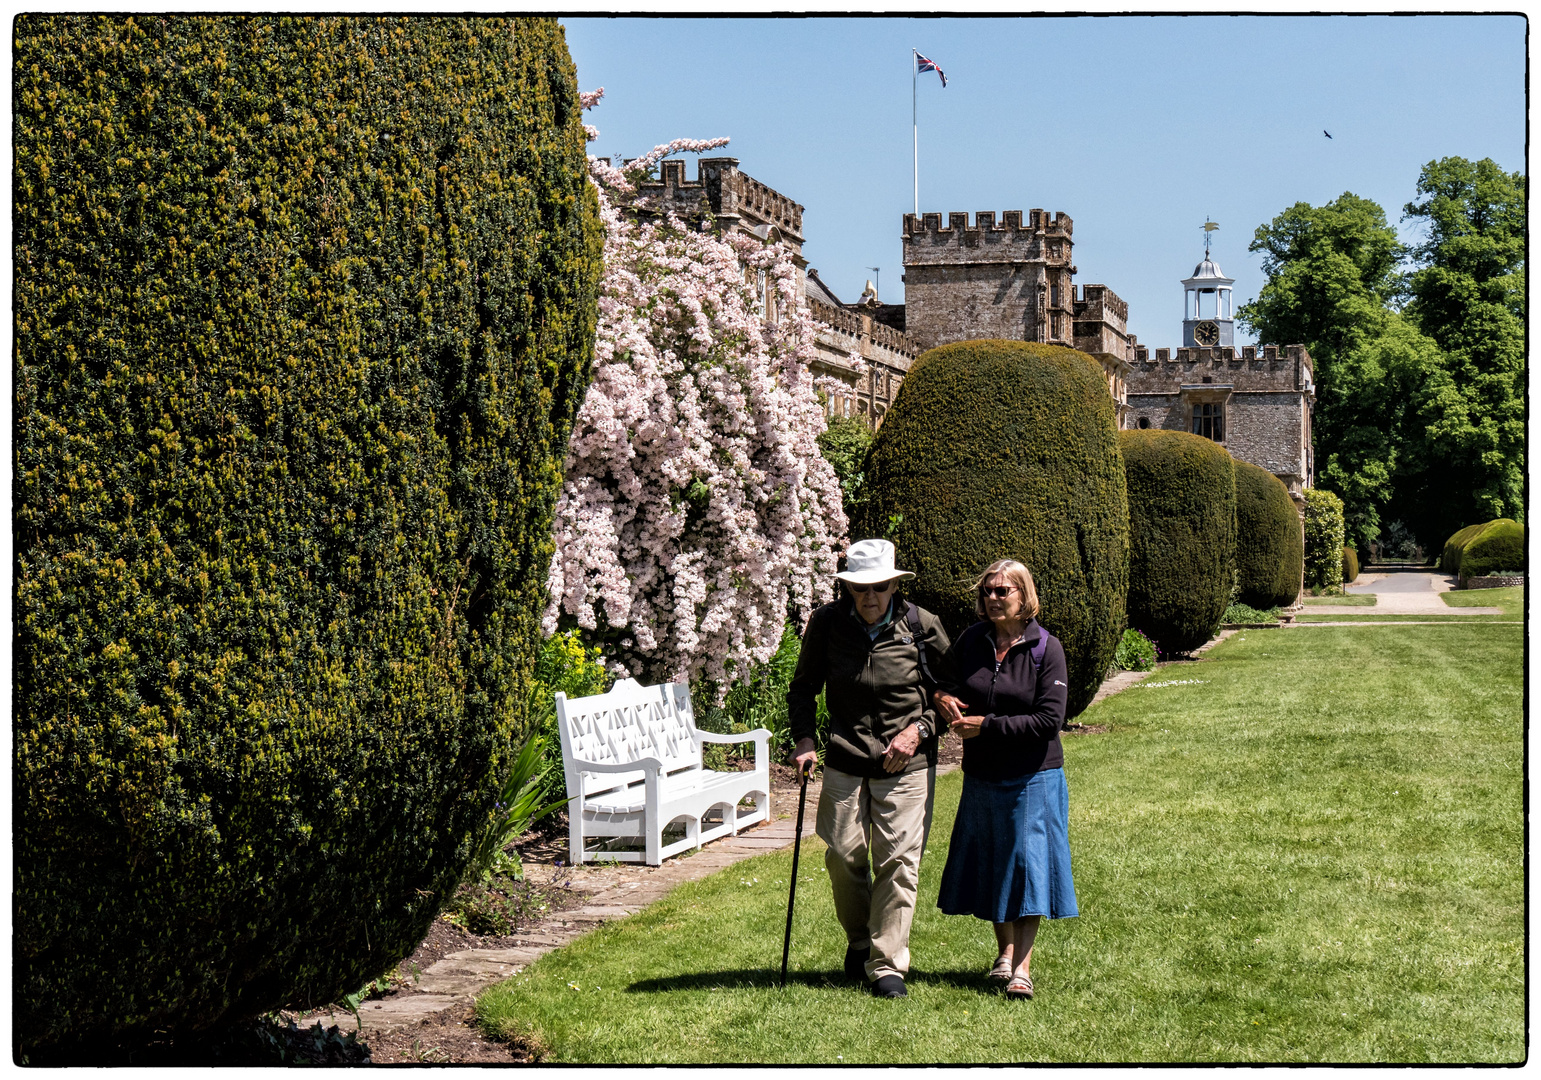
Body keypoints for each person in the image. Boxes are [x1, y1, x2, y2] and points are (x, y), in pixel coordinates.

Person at [786, 538, 951, 999]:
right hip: (845, 757)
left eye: (879, 588)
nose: (870, 597)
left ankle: (887, 964)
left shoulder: (921, 625)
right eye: (861, 589)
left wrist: (918, 730)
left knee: (898, 861)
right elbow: (803, 690)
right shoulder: (827, 624)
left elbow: (951, 693)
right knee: (842, 856)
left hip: (907, 763)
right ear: (848, 590)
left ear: (894, 585)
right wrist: (804, 741)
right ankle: (860, 942)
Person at [933, 559, 1077, 1001]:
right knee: (995, 864)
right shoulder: (972, 641)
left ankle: (1022, 968)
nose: (993, 598)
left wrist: (986, 726)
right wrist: (941, 696)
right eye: (988, 592)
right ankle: (1003, 953)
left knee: (1028, 868)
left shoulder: (1045, 648)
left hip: (1033, 776)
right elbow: (944, 679)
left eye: (1003, 591)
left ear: (1024, 596)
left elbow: (1049, 720)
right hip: (982, 775)